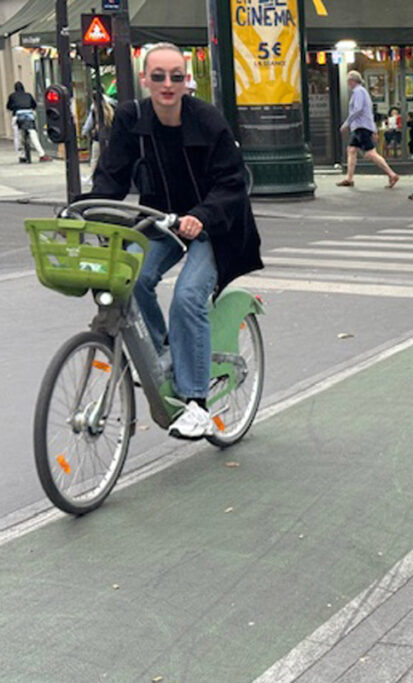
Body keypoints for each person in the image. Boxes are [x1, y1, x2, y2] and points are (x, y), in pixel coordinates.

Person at [88, 42, 263, 439]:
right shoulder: (132, 119)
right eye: (159, 76)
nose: (168, 84)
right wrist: (84, 209)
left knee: (187, 297)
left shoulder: (208, 121)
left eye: (176, 76)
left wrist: (201, 218)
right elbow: (111, 176)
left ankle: (197, 402)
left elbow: (232, 184)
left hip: (214, 226)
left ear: (187, 81)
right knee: (130, 278)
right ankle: (166, 350)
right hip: (160, 221)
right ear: (145, 79)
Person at [337, 70, 400, 188]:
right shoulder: (361, 92)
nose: (347, 83)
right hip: (360, 127)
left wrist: (347, 123)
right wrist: (373, 129)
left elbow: (358, 109)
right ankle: (349, 178)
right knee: (351, 150)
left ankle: (392, 174)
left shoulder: (359, 92)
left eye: (348, 81)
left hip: (361, 127)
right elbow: (367, 113)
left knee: (371, 154)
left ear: (352, 81)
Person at [6, 82, 50, 163]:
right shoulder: (28, 95)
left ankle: (21, 156)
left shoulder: (12, 96)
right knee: (33, 134)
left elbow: (8, 107)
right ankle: (42, 154)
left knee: (17, 136)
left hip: (18, 116)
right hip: (29, 116)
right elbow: (34, 105)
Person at [82, 94, 115, 174]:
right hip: (110, 137)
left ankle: (93, 176)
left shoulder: (95, 110)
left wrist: (84, 132)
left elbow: (89, 123)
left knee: (95, 158)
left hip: (98, 138)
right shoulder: (111, 107)